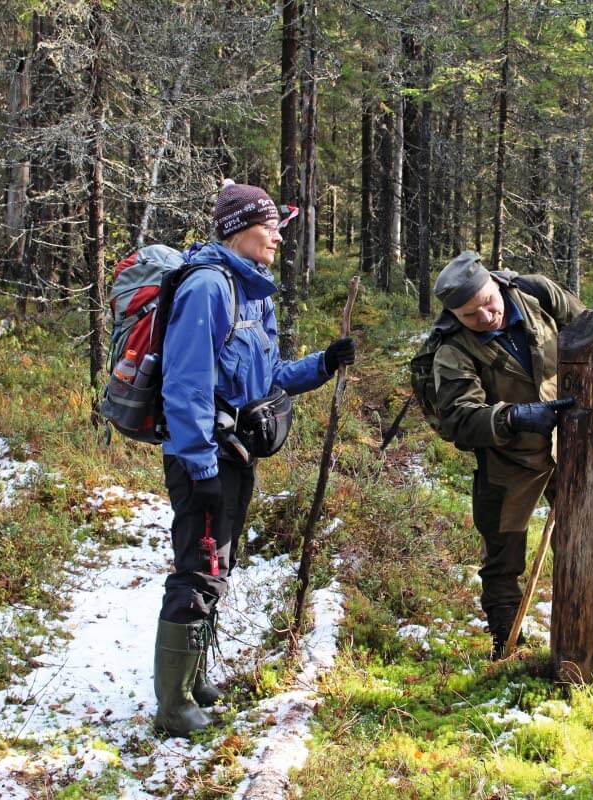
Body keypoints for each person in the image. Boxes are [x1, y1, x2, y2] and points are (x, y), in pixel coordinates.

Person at [153, 180, 356, 736]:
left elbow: (263, 378)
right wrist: (201, 468)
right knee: (199, 568)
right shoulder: (208, 289)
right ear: (240, 228)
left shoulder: (253, 291)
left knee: (219, 564)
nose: (278, 239)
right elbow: (186, 385)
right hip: (205, 455)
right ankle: (173, 707)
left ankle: (192, 678)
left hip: (234, 454)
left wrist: (322, 364)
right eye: (271, 228)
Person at [429, 251, 584, 659]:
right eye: (469, 315)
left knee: (581, 542)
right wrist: (515, 417)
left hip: (569, 446)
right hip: (507, 459)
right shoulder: (453, 351)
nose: (485, 317)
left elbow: (589, 331)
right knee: (502, 559)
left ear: (495, 284)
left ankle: (583, 640)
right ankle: (506, 645)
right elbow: (459, 419)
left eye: (487, 303)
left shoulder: (537, 295)